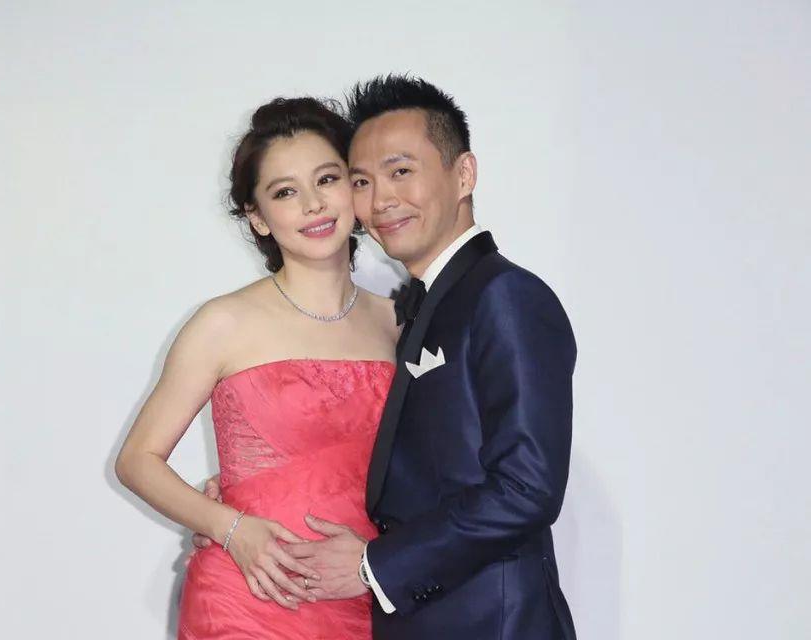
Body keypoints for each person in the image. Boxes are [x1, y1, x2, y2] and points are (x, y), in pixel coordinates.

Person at [197, 75, 579, 639]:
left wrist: (372, 567)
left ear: (464, 174)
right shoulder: (414, 310)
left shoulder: (504, 296)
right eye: (362, 181)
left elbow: (527, 488)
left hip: (491, 622)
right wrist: (244, 498)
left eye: (401, 172)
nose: (381, 201)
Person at [115, 97, 398, 639]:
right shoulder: (223, 322)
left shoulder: (398, 324)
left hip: (363, 597)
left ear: (355, 188)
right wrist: (230, 528)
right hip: (248, 600)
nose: (313, 204)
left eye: (327, 179)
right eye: (285, 192)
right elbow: (137, 460)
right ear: (258, 217)